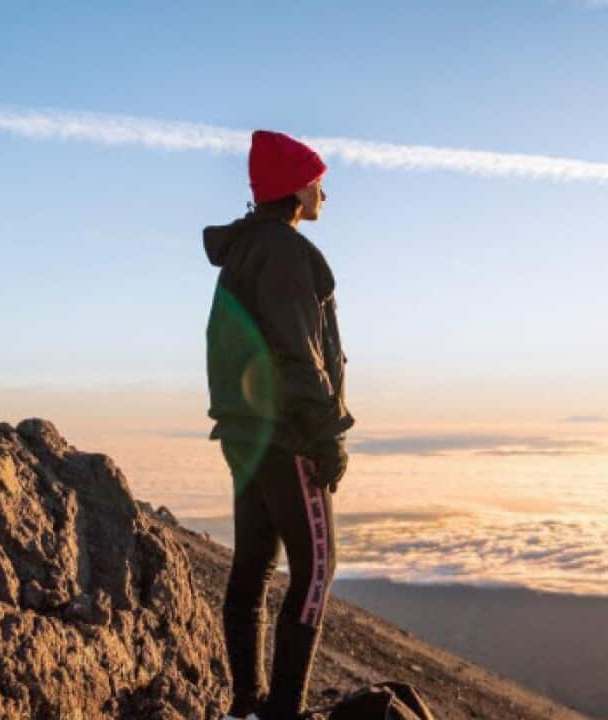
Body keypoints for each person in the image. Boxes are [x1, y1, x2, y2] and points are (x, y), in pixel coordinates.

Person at [204, 130, 354, 720]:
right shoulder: (288, 255)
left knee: (255, 568)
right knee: (317, 570)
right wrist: (325, 436)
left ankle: (248, 704)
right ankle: (284, 710)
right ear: (296, 188)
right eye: (318, 180)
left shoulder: (244, 252)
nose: (325, 193)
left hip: (246, 436)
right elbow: (299, 354)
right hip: (288, 435)